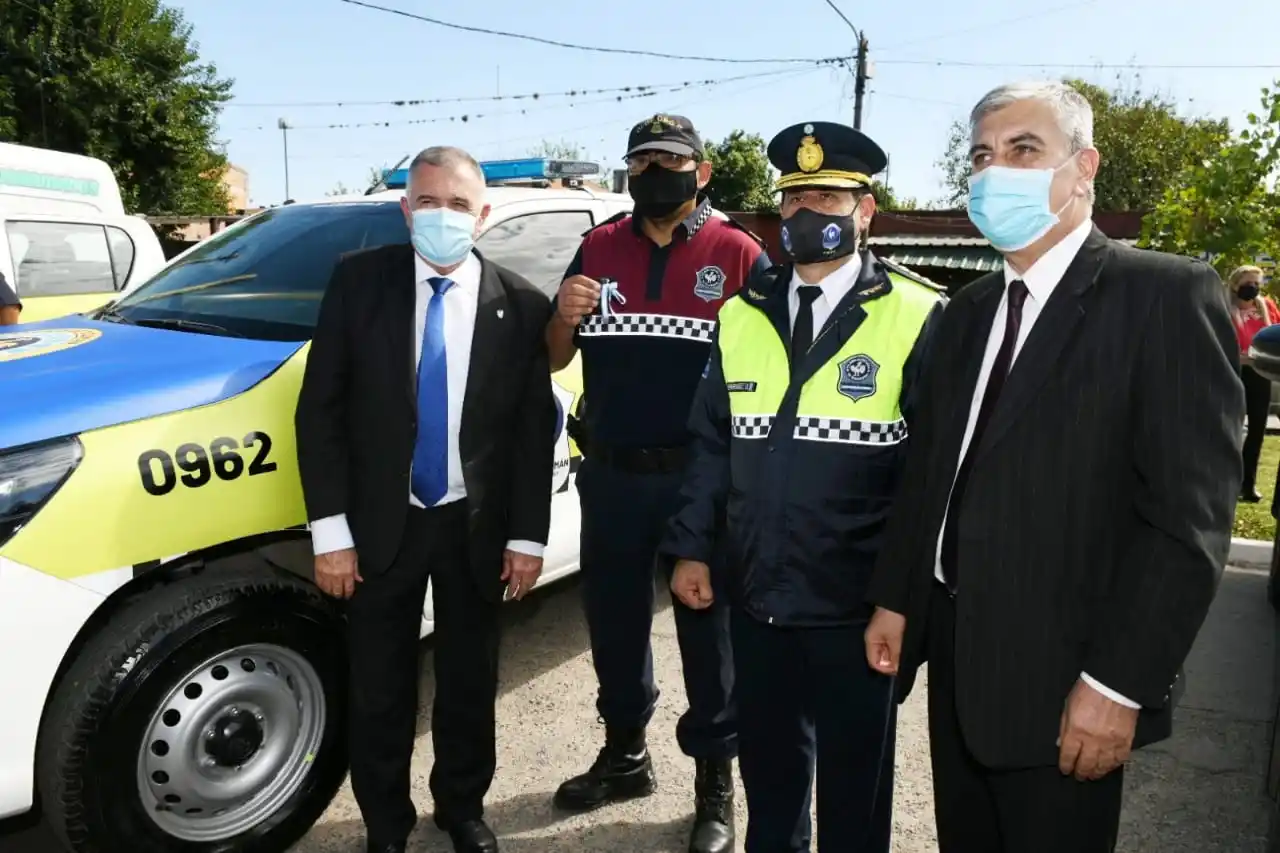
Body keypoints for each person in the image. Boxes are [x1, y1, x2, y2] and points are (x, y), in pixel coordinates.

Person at [863, 81, 1244, 853]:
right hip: (963, 668)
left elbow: (1188, 522)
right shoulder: (968, 311)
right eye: (980, 155)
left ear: (1084, 167)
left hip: (1071, 682)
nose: (993, 170)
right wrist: (899, 599)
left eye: (1022, 150)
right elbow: (935, 474)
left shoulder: (1163, 296)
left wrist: (1118, 685)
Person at [661, 120, 945, 853]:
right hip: (758, 603)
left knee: (856, 791)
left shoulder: (918, 315)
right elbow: (709, 448)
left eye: (827, 195)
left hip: (857, 610)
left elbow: (930, 482)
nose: (805, 213)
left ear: (866, 210)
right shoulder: (739, 316)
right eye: (791, 200)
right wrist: (691, 549)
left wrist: (899, 599)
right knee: (772, 782)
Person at [295, 146, 556, 853]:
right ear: (406, 209)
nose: (443, 216)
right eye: (429, 202)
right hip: (383, 527)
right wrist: (331, 534)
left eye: (459, 205)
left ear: (484, 216)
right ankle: (386, 822)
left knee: (471, 682)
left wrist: (528, 537)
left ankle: (462, 807)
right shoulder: (358, 284)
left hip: (475, 527)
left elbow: (534, 433)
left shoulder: (522, 304)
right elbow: (320, 412)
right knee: (379, 688)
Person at [546, 113, 770, 853]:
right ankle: (626, 754)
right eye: (640, 161)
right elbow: (553, 358)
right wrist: (562, 316)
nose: (652, 173)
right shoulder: (599, 244)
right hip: (610, 475)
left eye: (670, 160)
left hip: (699, 482)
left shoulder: (739, 254)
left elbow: (770, 377)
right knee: (612, 625)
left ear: (701, 171)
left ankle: (715, 783)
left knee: (709, 637)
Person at [1227, 264, 1277, 502]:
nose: (1253, 288)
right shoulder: (1224, 308)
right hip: (1233, 372)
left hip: (1260, 373)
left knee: (1257, 429)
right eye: (1248, 283)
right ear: (1236, 284)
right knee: (1231, 427)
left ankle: (1248, 485)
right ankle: (1227, 481)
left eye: (1257, 284)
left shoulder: (1266, 307)